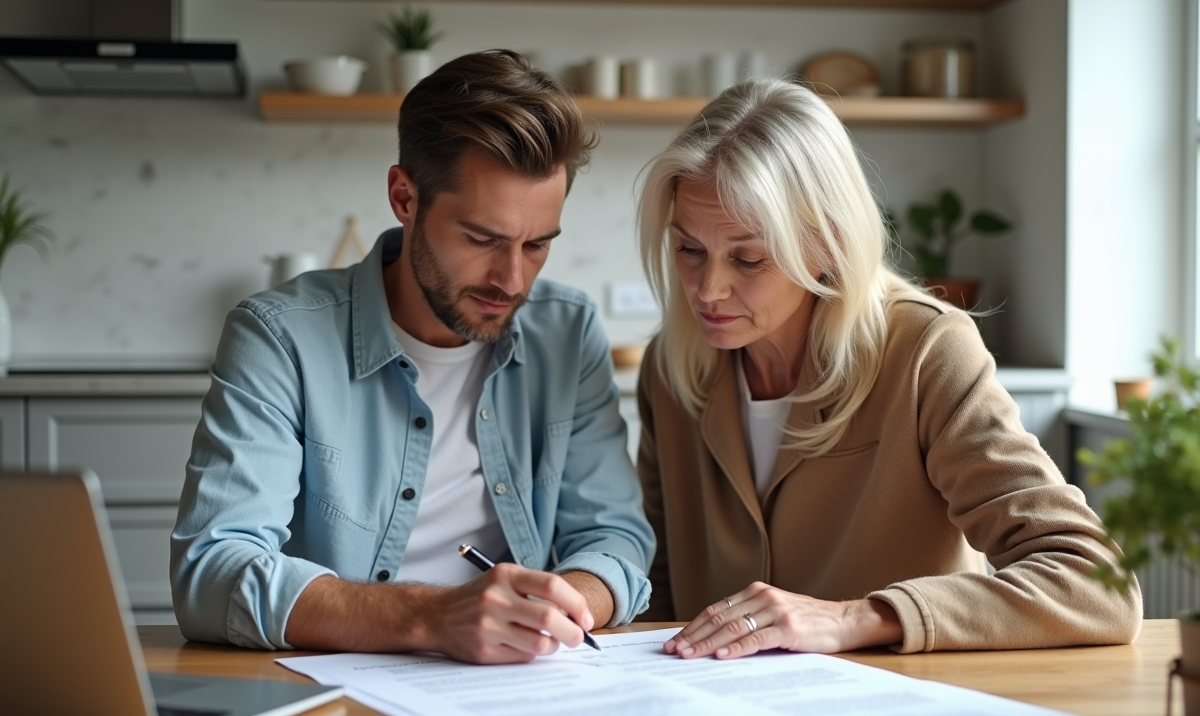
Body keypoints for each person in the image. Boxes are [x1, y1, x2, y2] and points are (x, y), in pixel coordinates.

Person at [170, 50, 654, 664]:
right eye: (481, 239)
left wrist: (571, 600)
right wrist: (430, 616)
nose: (511, 278)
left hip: (515, 686)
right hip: (335, 696)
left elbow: (614, 536)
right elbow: (212, 571)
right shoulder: (278, 337)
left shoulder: (568, 330)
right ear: (405, 197)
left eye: (537, 245)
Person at [634, 79, 1142, 658]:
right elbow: (659, 586)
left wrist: (859, 617)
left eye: (748, 258)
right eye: (688, 250)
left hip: (905, 713)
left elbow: (1098, 586)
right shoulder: (671, 368)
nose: (707, 288)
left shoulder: (927, 353)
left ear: (826, 245)